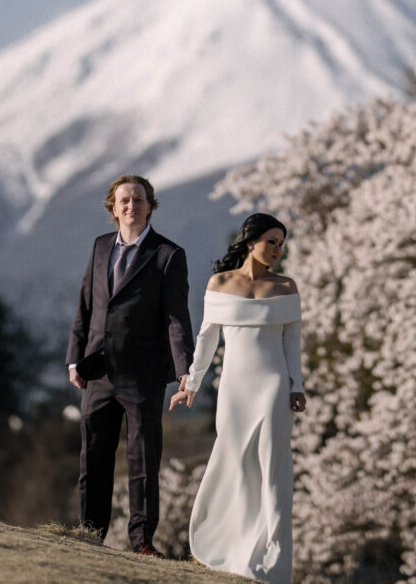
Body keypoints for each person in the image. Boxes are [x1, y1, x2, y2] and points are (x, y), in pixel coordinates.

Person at [170, 212, 306, 584]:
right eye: (271, 242)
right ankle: (230, 546)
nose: (278, 249)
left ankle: (273, 563)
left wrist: (297, 386)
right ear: (251, 243)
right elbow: (207, 338)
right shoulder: (219, 283)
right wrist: (191, 384)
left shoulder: (287, 287)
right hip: (232, 389)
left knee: (274, 468)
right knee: (234, 461)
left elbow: (292, 344)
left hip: (275, 386)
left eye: (281, 243)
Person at [66, 174, 194, 558]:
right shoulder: (100, 246)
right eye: (124, 200)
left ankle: (141, 541)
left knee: (142, 459)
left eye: (138, 199)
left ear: (150, 205)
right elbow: (86, 305)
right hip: (98, 372)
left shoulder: (168, 254)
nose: (131, 206)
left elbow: (177, 318)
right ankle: (90, 534)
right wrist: (75, 357)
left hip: (143, 376)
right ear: (113, 207)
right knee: (94, 456)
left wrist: (184, 368)